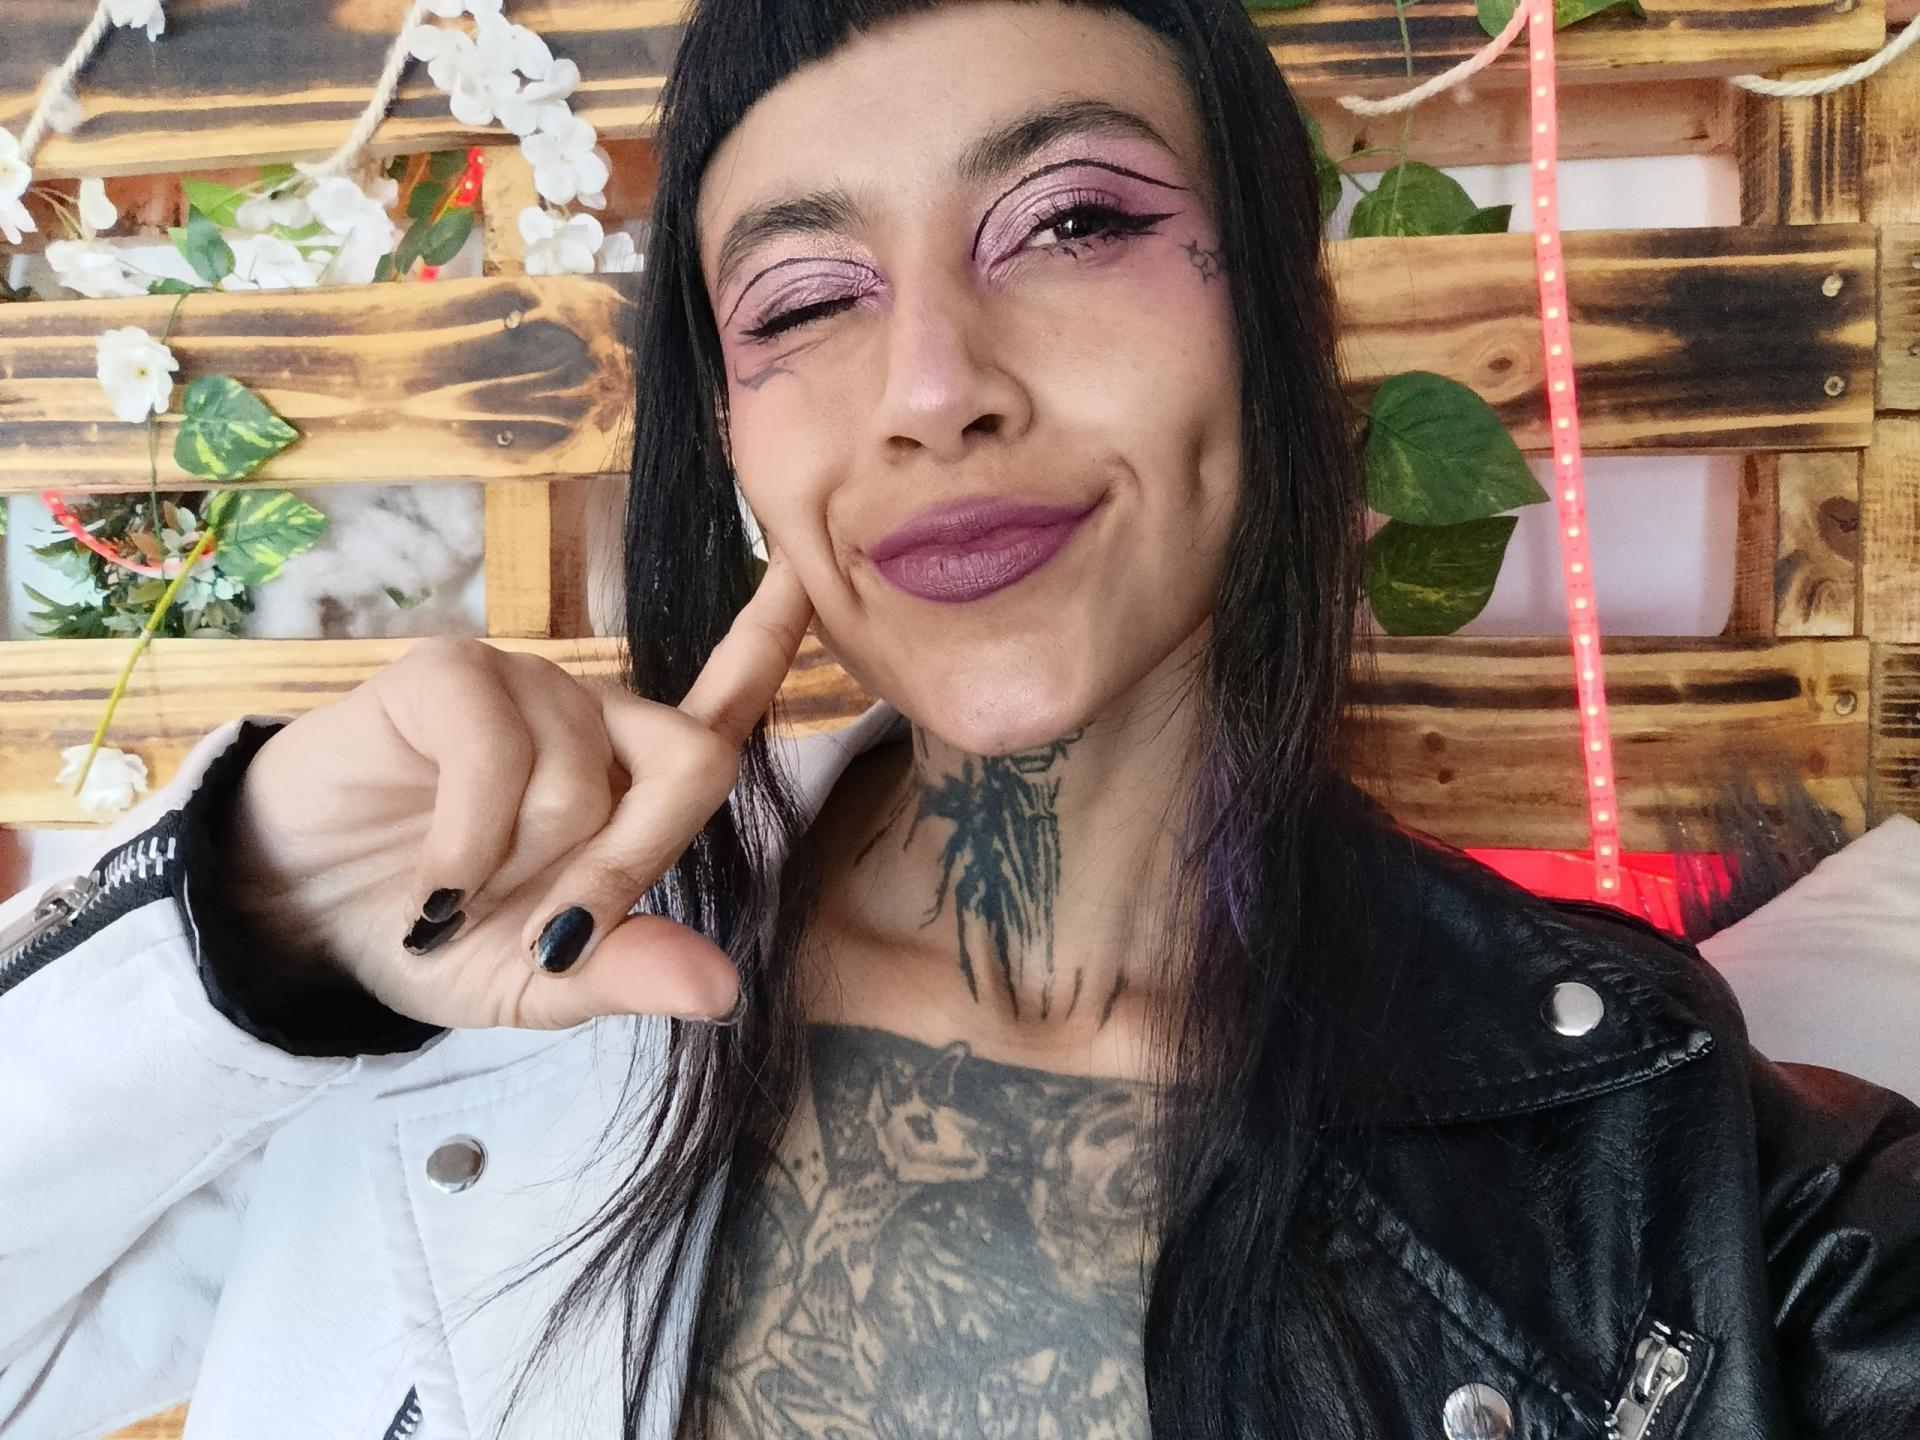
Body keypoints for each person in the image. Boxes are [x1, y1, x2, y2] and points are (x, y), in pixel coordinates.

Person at [2, 2, 1917, 1438]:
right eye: (802, 302)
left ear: (1278, 319)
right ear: (736, 438)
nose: (931, 386)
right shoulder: (454, 970)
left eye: (1071, 222)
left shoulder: (1682, 1181)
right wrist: (239, 927)